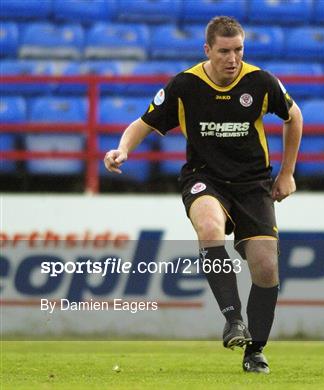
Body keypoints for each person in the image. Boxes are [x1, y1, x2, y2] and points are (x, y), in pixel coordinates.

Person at [103, 16, 303, 374]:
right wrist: (122, 150)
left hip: (253, 183)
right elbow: (144, 123)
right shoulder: (185, 85)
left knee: (267, 266)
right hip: (204, 177)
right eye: (224, 51)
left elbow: (294, 116)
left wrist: (287, 173)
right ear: (207, 50)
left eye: (238, 49)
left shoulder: (260, 81)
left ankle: (255, 349)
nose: (233, 58)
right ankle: (232, 320)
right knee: (209, 228)